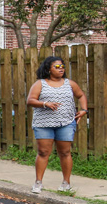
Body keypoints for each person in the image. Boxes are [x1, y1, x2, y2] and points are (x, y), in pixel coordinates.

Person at [26, 56, 88, 194]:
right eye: (57, 67)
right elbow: (30, 100)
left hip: (65, 123)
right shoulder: (40, 84)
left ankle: (66, 183)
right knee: (43, 152)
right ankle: (38, 182)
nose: (61, 69)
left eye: (62, 66)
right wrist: (45, 103)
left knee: (65, 152)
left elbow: (81, 95)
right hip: (44, 124)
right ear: (48, 69)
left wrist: (84, 110)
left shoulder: (70, 83)